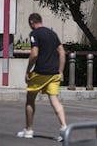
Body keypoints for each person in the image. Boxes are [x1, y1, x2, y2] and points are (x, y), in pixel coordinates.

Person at [17, 13, 67, 141]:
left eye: (30, 24)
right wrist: (60, 71)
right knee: (54, 100)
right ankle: (63, 128)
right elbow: (62, 52)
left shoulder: (35, 34)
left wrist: (28, 71)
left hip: (40, 73)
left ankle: (29, 130)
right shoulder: (52, 34)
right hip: (54, 73)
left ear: (32, 22)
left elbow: (34, 54)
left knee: (30, 100)